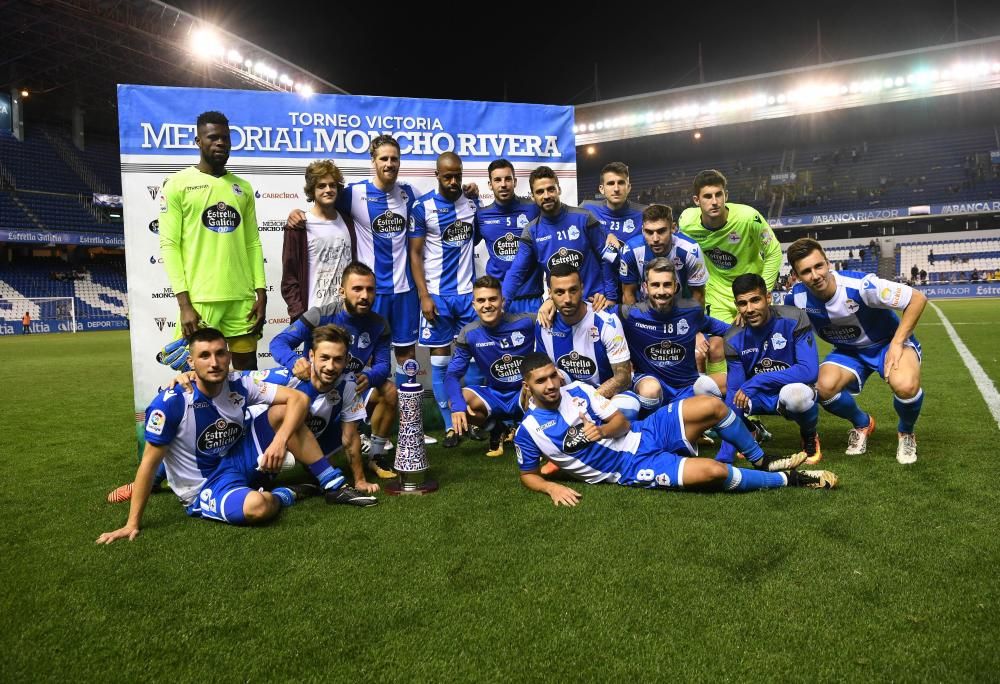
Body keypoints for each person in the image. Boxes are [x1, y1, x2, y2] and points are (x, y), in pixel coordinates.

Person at [96, 328, 375, 544]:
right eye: (205, 356)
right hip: (205, 486)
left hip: (239, 456)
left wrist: (278, 442)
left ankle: (333, 486)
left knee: (283, 413)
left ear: (229, 358)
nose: (214, 362)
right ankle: (287, 493)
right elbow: (149, 462)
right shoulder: (172, 401)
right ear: (191, 363)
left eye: (220, 354)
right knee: (257, 507)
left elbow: (299, 402)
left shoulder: (240, 382)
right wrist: (132, 523)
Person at [513, 352, 837, 507]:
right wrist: (551, 487)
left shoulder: (580, 391)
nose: (552, 384)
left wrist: (602, 431)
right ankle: (787, 479)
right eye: (541, 381)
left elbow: (621, 422)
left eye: (553, 376)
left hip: (643, 432)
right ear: (528, 386)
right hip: (631, 467)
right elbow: (528, 474)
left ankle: (761, 459)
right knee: (715, 471)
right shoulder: (530, 431)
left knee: (711, 404)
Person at [286, 134, 420, 388]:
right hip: (369, 293)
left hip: (404, 291)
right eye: (384, 158)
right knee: (363, 355)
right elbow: (322, 199)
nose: (389, 163)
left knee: (406, 355)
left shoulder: (410, 193)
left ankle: (407, 421)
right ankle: (360, 418)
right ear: (373, 161)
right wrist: (296, 213)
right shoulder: (353, 193)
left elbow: (438, 203)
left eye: (394, 159)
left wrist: (468, 192)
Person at [786, 238, 927, 464]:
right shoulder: (796, 297)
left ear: (828, 262)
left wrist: (897, 343)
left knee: (906, 385)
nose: (815, 275)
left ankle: (906, 432)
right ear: (796, 275)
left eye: (818, 266)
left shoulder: (861, 286)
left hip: (885, 343)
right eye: (806, 271)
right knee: (821, 388)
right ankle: (863, 423)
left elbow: (917, 299)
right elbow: (782, 325)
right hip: (848, 351)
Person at [158, 111, 266, 370]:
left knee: (247, 374)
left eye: (225, 138)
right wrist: (184, 304)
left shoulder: (243, 188)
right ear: (198, 141)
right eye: (213, 137)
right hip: (200, 300)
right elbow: (169, 245)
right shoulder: (177, 184)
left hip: (241, 298)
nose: (220, 143)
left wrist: (261, 293)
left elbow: (252, 242)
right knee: (198, 377)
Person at [270, 262, 398, 478]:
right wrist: (294, 361)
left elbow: (383, 365)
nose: (364, 295)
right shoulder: (320, 316)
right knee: (316, 469)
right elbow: (278, 343)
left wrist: (370, 376)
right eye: (357, 289)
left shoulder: (379, 324)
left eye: (370, 289)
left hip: (350, 389)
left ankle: (376, 456)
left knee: (390, 391)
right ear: (342, 291)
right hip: (316, 392)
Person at [408, 152, 480, 447]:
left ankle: (475, 421)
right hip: (437, 296)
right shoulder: (422, 207)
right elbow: (414, 253)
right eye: (447, 176)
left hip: (468, 296)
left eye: (457, 176)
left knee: (474, 359)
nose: (453, 181)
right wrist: (424, 295)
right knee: (440, 362)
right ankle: (451, 425)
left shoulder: (472, 205)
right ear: (437, 175)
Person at [720, 274, 822, 466]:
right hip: (758, 398)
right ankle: (749, 431)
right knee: (706, 389)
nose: (749, 309)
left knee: (797, 396)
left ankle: (809, 435)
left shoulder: (794, 317)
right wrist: (726, 454)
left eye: (755, 300)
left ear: (768, 298)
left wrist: (757, 381)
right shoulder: (732, 337)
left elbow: (809, 371)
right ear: (737, 305)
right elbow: (734, 392)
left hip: (788, 390)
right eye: (743, 304)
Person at [619, 258, 730, 415]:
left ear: (676, 286)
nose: (661, 291)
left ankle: (746, 427)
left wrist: (744, 324)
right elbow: (596, 320)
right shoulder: (630, 315)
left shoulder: (691, 311)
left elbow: (725, 329)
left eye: (667, 285)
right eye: (655, 285)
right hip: (652, 386)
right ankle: (650, 426)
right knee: (649, 390)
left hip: (687, 388)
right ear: (645, 287)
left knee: (731, 382)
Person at [677, 168, 782, 334]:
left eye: (718, 194)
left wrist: (763, 292)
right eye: (707, 196)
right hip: (716, 294)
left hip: (751, 290)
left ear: (726, 195)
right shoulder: (687, 222)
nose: (714, 201)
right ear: (696, 200)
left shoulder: (748, 218)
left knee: (761, 341)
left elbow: (774, 252)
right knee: (717, 346)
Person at [501, 166, 616, 309]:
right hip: (562, 306)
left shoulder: (584, 218)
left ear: (559, 189)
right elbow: (516, 272)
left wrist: (611, 296)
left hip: (595, 302)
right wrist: (501, 306)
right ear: (532, 196)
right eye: (540, 192)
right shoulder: (531, 231)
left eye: (551, 189)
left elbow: (606, 257)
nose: (546, 195)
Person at [445, 275, 536, 457]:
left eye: (492, 299)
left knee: (540, 385)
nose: (487, 305)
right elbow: (452, 375)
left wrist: (549, 305)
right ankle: (497, 428)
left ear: (502, 301)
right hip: (495, 395)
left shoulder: (527, 322)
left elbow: (558, 316)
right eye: (481, 300)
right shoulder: (469, 333)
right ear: (474, 305)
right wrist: (457, 406)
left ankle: (533, 434)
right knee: (459, 399)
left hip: (524, 393)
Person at [535, 264, 637, 418]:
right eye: (560, 292)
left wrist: (587, 401)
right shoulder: (544, 323)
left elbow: (624, 378)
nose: (567, 299)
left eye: (573, 290)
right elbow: (541, 370)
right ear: (550, 293)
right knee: (533, 395)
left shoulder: (606, 322)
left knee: (627, 406)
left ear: (582, 288)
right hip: (566, 396)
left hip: (603, 397)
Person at [281, 160, 356, 322]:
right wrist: (300, 316)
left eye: (332, 185)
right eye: (321, 186)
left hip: (346, 314)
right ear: (312, 190)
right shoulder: (298, 226)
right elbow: (289, 279)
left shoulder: (348, 222)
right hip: (314, 317)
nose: (328, 190)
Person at [477, 159, 542, 314]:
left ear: (515, 181)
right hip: (497, 299)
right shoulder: (481, 214)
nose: (503, 184)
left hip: (530, 297)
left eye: (508, 179)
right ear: (490, 184)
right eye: (497, 180)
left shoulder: (533, 209)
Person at [619, 204, 707, 305]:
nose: (655, 239)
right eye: (649, 232)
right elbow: (628, 294)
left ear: (673, 228)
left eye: (661, 231)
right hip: (645, 310)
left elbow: (698, 295)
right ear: (642, 230)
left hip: (680, 310)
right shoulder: (630, 250)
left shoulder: (690, 250)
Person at [579, 162, 646, 242]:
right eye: (610, 183)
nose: (616, 189)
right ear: (602, 189)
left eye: (621, 183)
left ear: (628, 188)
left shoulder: (644, 214)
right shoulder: (586, 209)